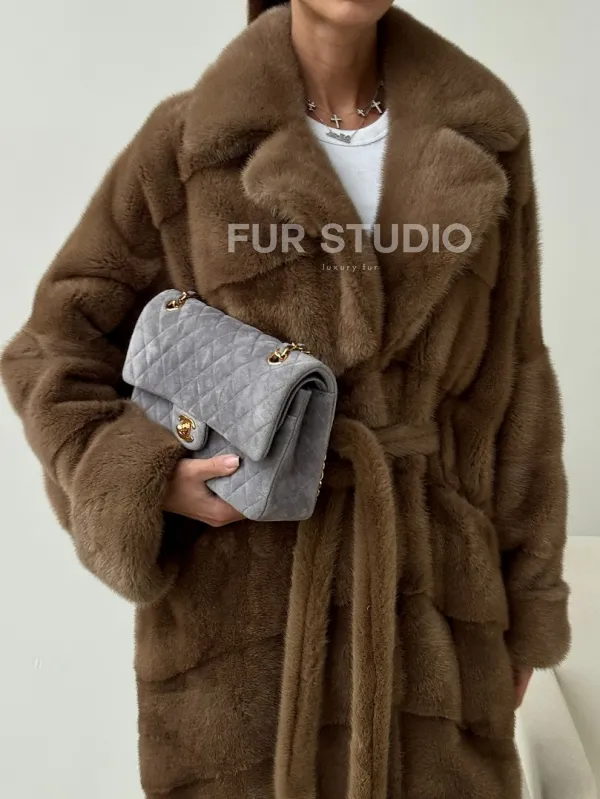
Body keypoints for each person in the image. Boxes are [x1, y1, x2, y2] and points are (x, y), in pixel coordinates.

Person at [1, 1, 570, 797]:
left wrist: (527, 611)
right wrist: (145, 477)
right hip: (239, 644)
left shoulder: (486, 139)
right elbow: (51, 348)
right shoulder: (189, 144)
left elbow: (516, 388)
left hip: (433, 627)